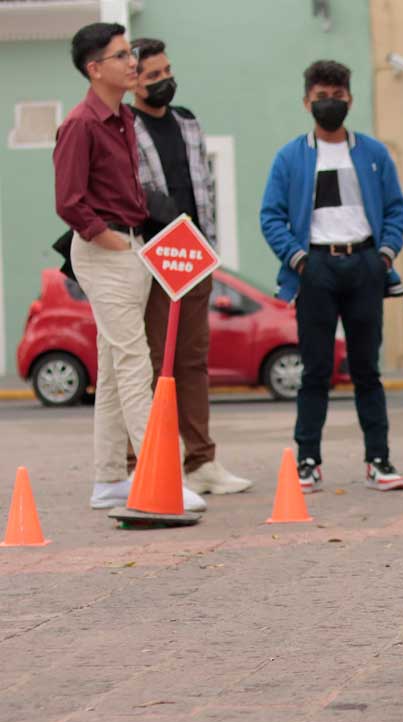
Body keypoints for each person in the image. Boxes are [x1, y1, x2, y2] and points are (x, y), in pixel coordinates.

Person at [54, 23, 205, 512]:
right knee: (136, 363)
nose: (132, 64)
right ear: (95, 69)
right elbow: (69, 202)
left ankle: (108, 480)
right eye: (121, 56)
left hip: (130, 247)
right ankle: (158, 475)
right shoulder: (80, 124)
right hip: (106, 251)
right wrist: (110, 239)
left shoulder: (121, 119)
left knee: (118, 373)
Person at [260, 60, 403, 492]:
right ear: (307, 101)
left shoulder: (374, 154)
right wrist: (298, 260)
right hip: (315, 269)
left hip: (365, 265)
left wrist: (384, 255)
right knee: (316, 371)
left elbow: (397, 207)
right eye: (321, 97)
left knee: (367, 369)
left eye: (337, 96)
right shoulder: (290, 157)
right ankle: (307, 460)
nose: (330, 104)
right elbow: (271, 215)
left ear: (350, 99)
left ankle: (379, 460)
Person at [128, 37, 251, 495]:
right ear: (133, 82)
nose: (164, 81)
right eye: (153, 76)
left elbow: (205, 190)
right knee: (153, 363)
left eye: (167, 72)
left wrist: (209, 246)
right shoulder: (125, 126)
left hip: (194, 257)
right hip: (152, 257)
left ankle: (202, 460)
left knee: (194, 361)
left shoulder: (187, 123)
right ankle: (147, 461)